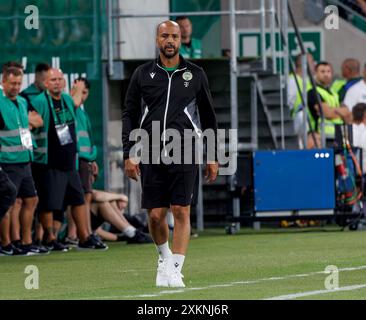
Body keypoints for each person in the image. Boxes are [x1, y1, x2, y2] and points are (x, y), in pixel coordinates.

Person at [122, 20, 218, 288]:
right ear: (157, 40)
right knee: (154, 215)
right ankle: (164, 258)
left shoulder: (196, 74)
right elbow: (129, 114)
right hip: (150, 149)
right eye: (165, 35)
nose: (170, 40)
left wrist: (212, 154)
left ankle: (176, 268)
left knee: (181, 210)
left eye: (174, 36)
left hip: (186, 147)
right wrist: (129, 152)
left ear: (180, 40)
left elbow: (209, 116)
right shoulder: (142, 74)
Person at [31, 68, 107, 251]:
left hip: (69, 163)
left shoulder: (66, 100)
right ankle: (49, 239)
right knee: (49, 203)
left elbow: (76, 101)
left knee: (78, 200)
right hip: (49, 162)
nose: (57, 82)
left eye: (60, 79)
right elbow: (33, 123)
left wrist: (79, 89)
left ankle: (84, 237)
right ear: (46, 84)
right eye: (53, 79)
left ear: (64, 83)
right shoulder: (39, 101)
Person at [0, 65, 42, 255]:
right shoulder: (0, 102)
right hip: (8, 159)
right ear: (3, 82)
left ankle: (25, 241)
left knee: (31, 199)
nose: (16, 87)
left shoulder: (23, 102)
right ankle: (7, 243)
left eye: (18, 83)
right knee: (10, 202)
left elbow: (36, 122)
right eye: (12, 83)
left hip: (25, 158)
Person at [307, 61, 351, 148]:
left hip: (338, 136)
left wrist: (333, 109)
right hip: (321, 137)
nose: (326, 74)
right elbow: (327, 114)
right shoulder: (313, 92)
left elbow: (347, 113)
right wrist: (338, 111)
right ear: (316, 73)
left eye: (328, 71)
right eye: (322, 72)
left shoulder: (334, 93)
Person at [288, 53, 315, 145]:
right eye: (312, 62)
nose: (314, 64)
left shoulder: (308, 81)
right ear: (304, 64)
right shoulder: (292, 81)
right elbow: (288, 104)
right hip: (298, 120)